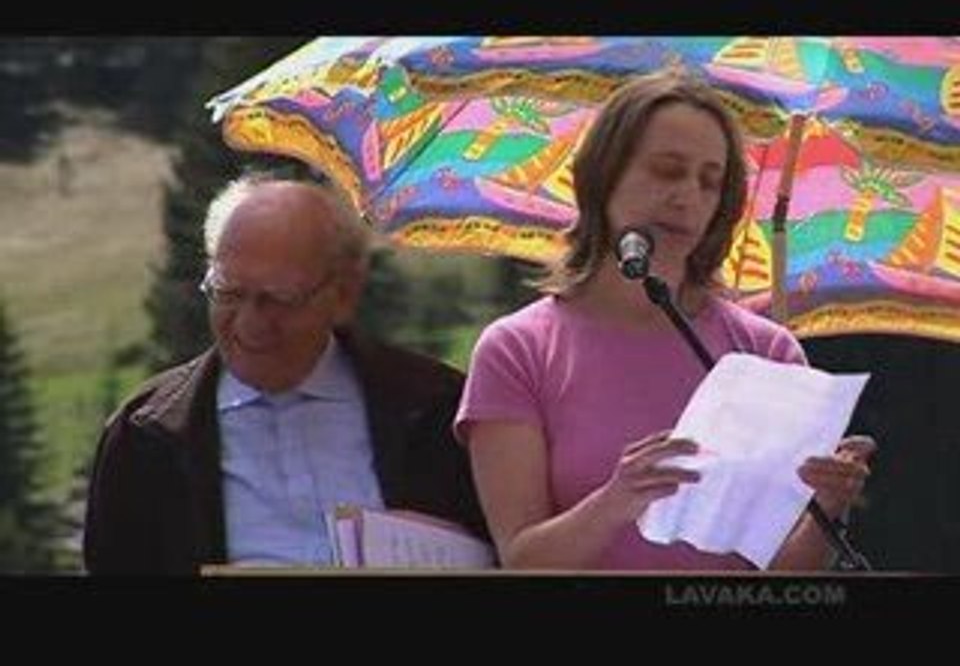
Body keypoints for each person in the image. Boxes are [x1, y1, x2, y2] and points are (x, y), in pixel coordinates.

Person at [455, 69, 875, 571]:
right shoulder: (516, 349)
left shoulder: (770, 352)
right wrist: (618, 499)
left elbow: (784, 574)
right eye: (667, 170)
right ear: (603, 176)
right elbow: (522, 561)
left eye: (709, 182)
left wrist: (829, 508)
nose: (687, 197)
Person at [84, 164, 488, 574]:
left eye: (278, 299)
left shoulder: (438, 413)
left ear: (343, 294)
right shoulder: (147, 435)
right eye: (228, 293)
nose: (249, 323)